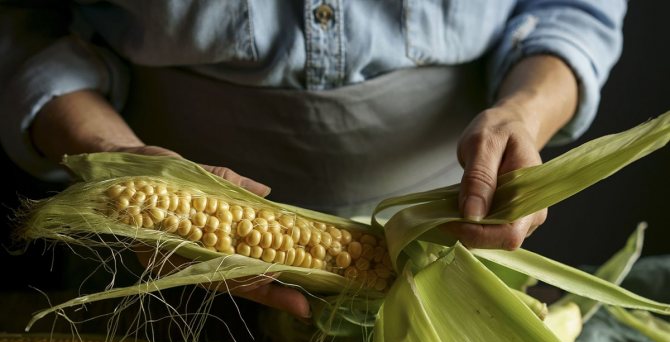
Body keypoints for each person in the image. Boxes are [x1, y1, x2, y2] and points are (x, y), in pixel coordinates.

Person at [0, 1, 626, 318]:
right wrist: (119, 157)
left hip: (449, 240)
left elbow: (571, 9)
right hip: (158, 257)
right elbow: (25, 22)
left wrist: (526, 110)